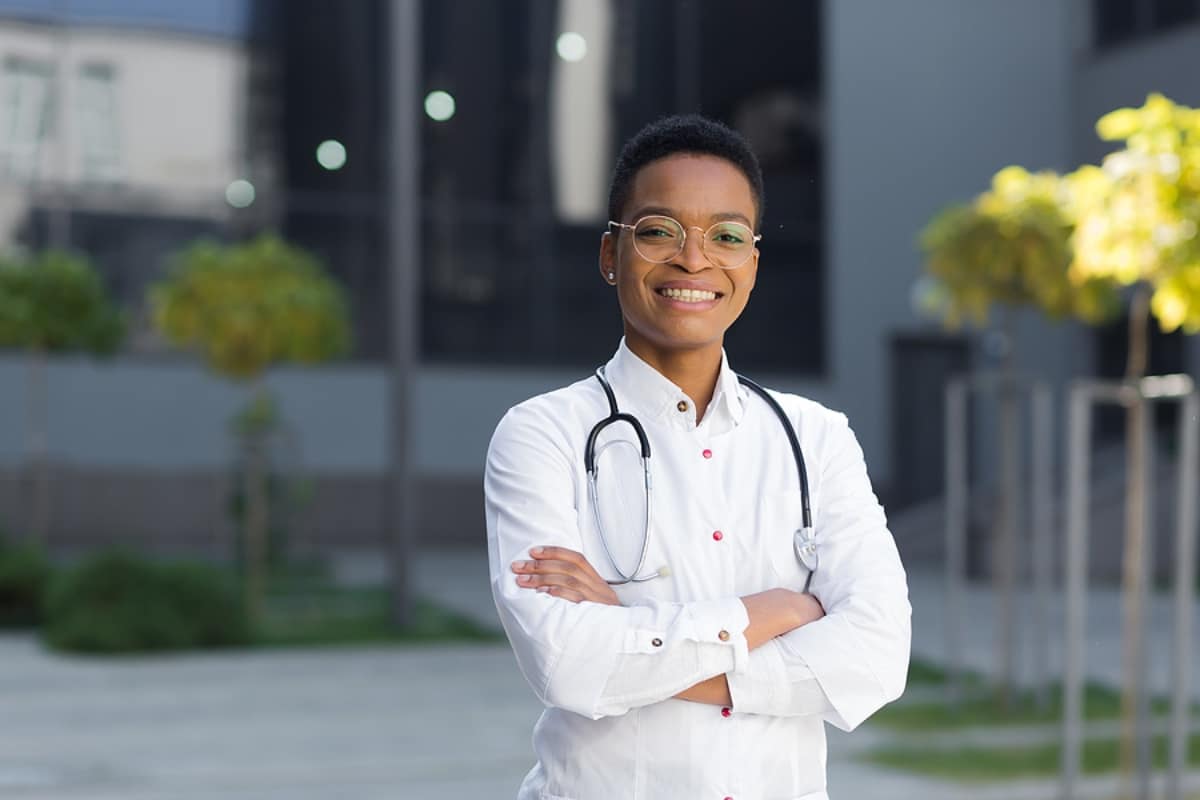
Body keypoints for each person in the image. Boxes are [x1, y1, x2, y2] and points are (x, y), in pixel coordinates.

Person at [484, 114, 910, 800]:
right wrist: (773, 612)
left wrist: (627, 633)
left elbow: (877, 658)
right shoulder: (542, 435)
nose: (694, 259)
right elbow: (566, 663)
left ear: (753, 263)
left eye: (727, 236)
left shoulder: (817, 437)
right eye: (659, 231)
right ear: (609, 254)